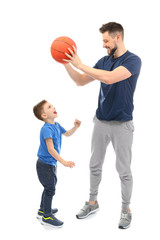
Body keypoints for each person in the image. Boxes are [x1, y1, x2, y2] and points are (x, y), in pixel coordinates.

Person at [63, 22, 142, 229]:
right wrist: (66, 62)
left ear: (118, 37)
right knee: (94, 165)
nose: (104, 45)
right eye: (102, 41)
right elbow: (80, 81)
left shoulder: (133, 61)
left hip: (122, 124)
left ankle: (126, 210)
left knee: (123, 170)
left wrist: (80, 64)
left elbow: (108, 79)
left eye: (106, 41)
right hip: (100, 121)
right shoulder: (103, 61)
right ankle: (92, 202)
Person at [33, 100, 81, 228]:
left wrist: (75, 127)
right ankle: (47, 217)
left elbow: (67, 134)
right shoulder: (46, 129)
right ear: (44, 115)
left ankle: (42, 210)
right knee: (50, 189)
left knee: (48, 187)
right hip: (45, 165)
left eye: (52, 105)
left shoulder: (56, 125)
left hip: (50, 164)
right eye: (49, 107)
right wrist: (64, 162)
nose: (53, 107)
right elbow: (51, 149)